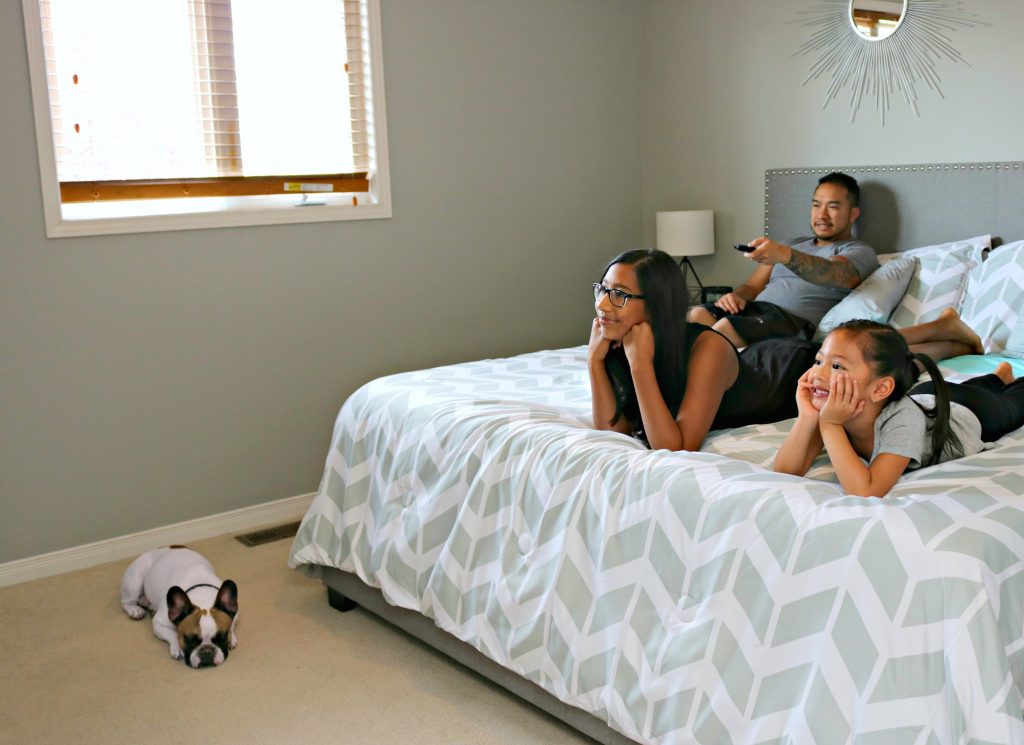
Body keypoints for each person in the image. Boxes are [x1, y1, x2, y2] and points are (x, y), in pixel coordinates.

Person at [589, 249, 990, 453]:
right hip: (755, 364)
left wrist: (640, 366)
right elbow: (615, 428)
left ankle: (946, 334)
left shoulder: (704, 346)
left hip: (784, 372)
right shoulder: (623, 342)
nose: (605, 305)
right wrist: (595, 361)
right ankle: (948, 333)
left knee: (883, 364)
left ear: (656, 302)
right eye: (604, 290)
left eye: (620, 295)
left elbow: (675, 448)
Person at [773, 320, 1024, 497]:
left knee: (1013, 404)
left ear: (880, 389)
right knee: (966, 387)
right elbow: (785, 471)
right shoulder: (832, 409)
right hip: (925, 397)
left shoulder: (902, 420)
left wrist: (830, 425)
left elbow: (865, 490)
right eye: (818, 360)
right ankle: (999, 375)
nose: (818, 373)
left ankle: (1003, 376)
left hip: (969, 413)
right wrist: (808, 416)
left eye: (837, 366)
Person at [688, 172, 878, 348]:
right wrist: (737, 296)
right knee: (696, 315)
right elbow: (752, 287)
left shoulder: (858, 250)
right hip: (755, 311)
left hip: (791, 321)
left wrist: (785, 255)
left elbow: (836, 273)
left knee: (724, 329)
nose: (821, 215)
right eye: (816, 205)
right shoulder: (790, 244)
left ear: (853, 214)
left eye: (833, 207)